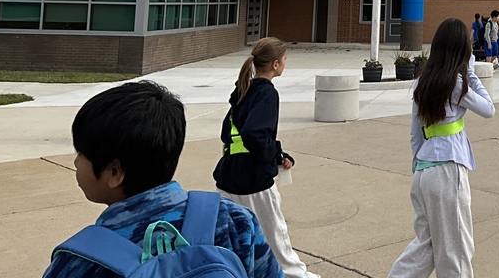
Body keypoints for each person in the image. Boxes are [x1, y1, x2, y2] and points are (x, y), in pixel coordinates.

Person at [43, 81, 283, 278]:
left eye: (81, 154)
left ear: (115, 173)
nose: (76, 162)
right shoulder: (235, 222)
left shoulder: (78, 263)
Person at [387, 18, 495, 278]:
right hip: (448, 173)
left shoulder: (421, 82)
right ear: (462, 50)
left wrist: (418, 167)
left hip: (424, 173)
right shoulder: (456, 84)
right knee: (456, 251)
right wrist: (470, 73)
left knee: (426, 246)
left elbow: (415, 135)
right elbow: (488, 109)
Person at [214, 37, 319, 278]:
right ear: (275, 64)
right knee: (274, 233)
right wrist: (272, 156)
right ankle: (295, 275)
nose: (284, 64)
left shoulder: (242, 90)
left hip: (229, 174)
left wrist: (277, 153)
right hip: (254, 179)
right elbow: (254, 134)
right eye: (284, 60)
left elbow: (227, 132)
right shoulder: (267, 93)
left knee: (235, 234)